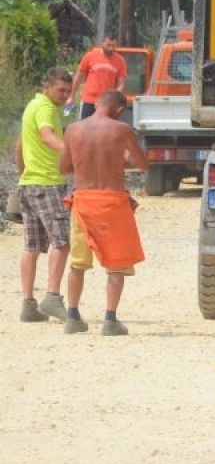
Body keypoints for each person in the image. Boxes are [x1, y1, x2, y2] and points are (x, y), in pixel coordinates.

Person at [59, 89, 149, 336]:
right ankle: (110, 320)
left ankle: (72, 317)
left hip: (82, 201)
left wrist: (85, 164)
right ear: (119, 109)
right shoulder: (122, 130)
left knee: (77, 263)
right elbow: (142, 164)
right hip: (113, 203)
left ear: (97, 104)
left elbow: (64, 167)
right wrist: (118, 161)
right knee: (116, 265)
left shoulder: (73, 130)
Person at [14, 68, 74, 323]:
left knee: (32, 246)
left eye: (68, 91)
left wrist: (23, 174)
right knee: (62, 242)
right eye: (61, 90)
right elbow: (47, 136)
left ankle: (28, 305)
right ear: (46, 86)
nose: (65, 95)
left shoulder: (32, 106)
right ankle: (52, 297)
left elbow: (20, 144)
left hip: (29, 184)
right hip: (48, 184)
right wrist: (73, 152)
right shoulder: (46, 109)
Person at [71, 35, 128, 121]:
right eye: (108, 45)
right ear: (102, 43)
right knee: (85, 125)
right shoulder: (90, 56)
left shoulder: (120, 60)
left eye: (113, 46)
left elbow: (121, 84)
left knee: (105, 126)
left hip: (107, 103)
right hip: (89, 100)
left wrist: (116, 101)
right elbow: (78, 77)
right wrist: (71, 96)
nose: (110, 48)